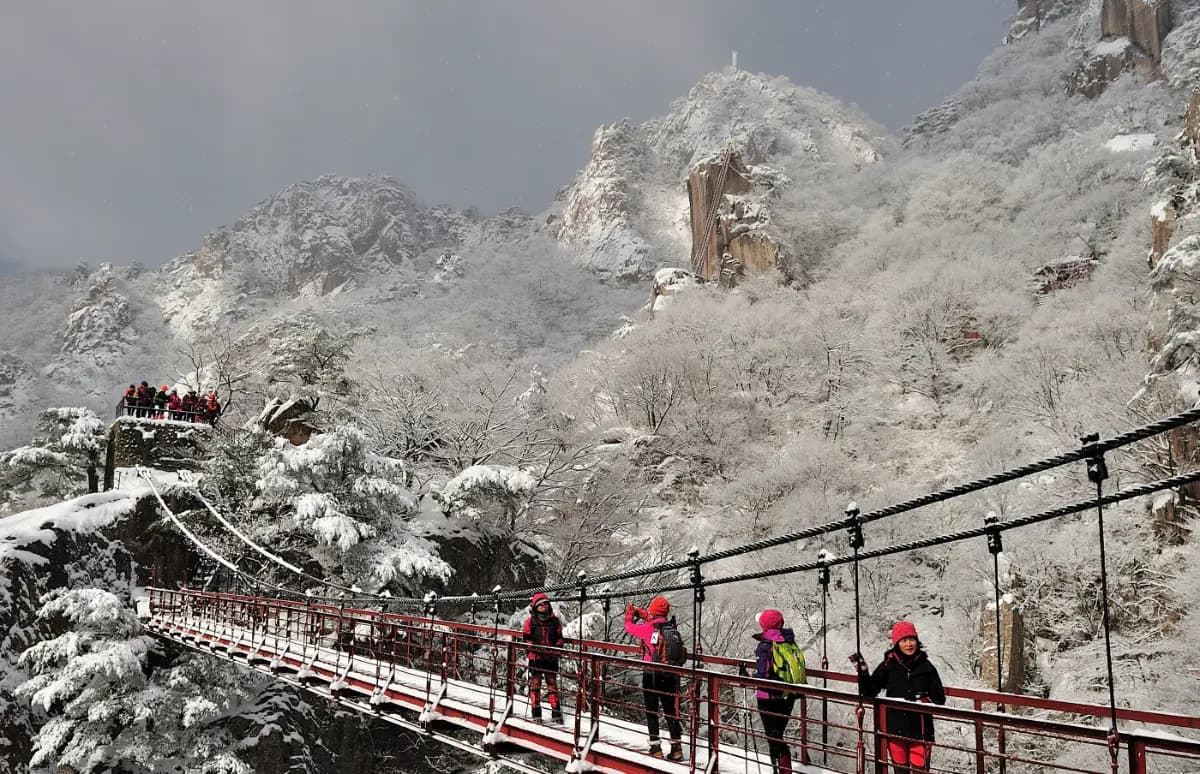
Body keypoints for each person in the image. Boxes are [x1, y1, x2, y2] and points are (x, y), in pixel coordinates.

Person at [853, 621, 946, 774]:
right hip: (895, 729)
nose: (909, 644)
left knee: (920, 771)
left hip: (921, 731)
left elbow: (939, 698)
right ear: (896, 643)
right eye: (904, 640)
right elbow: (869, 691)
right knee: (900, 771)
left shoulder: (926, 667)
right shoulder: (888, 665)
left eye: (912, 639)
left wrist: (923, 699)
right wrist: (863, 673)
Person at [624, 596, 684, 761]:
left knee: (652, 711)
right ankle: (677, 748)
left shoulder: (648, 628)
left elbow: (629, 627)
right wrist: (642, 613)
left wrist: (630, 614)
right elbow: (652, 616)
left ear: (652, 611)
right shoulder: (671, 626)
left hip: (652, 675)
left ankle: (655, 748)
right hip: (670, 675)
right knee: (670, 711)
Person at [753, 609, 805, 774]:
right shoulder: (789, 641)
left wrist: (749, 677)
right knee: (777, 735)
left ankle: (782, 770)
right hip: (788, 697)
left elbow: (762, 674)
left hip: (768, 698)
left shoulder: (765, 645)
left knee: (773, 738)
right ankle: (783, 769)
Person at [521, 592, 564, 722]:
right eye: (540, 604)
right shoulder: (530, 622)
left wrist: (556, 648)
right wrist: (535, 649)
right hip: (536, 658)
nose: (543, 606)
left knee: (552, 686)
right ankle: (536, 713)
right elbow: (526, 640)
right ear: (535, 607)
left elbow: (560, 638)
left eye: (545, 604)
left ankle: (556, 713)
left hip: (550, 658)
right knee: (535, 686)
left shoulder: (555, 621)